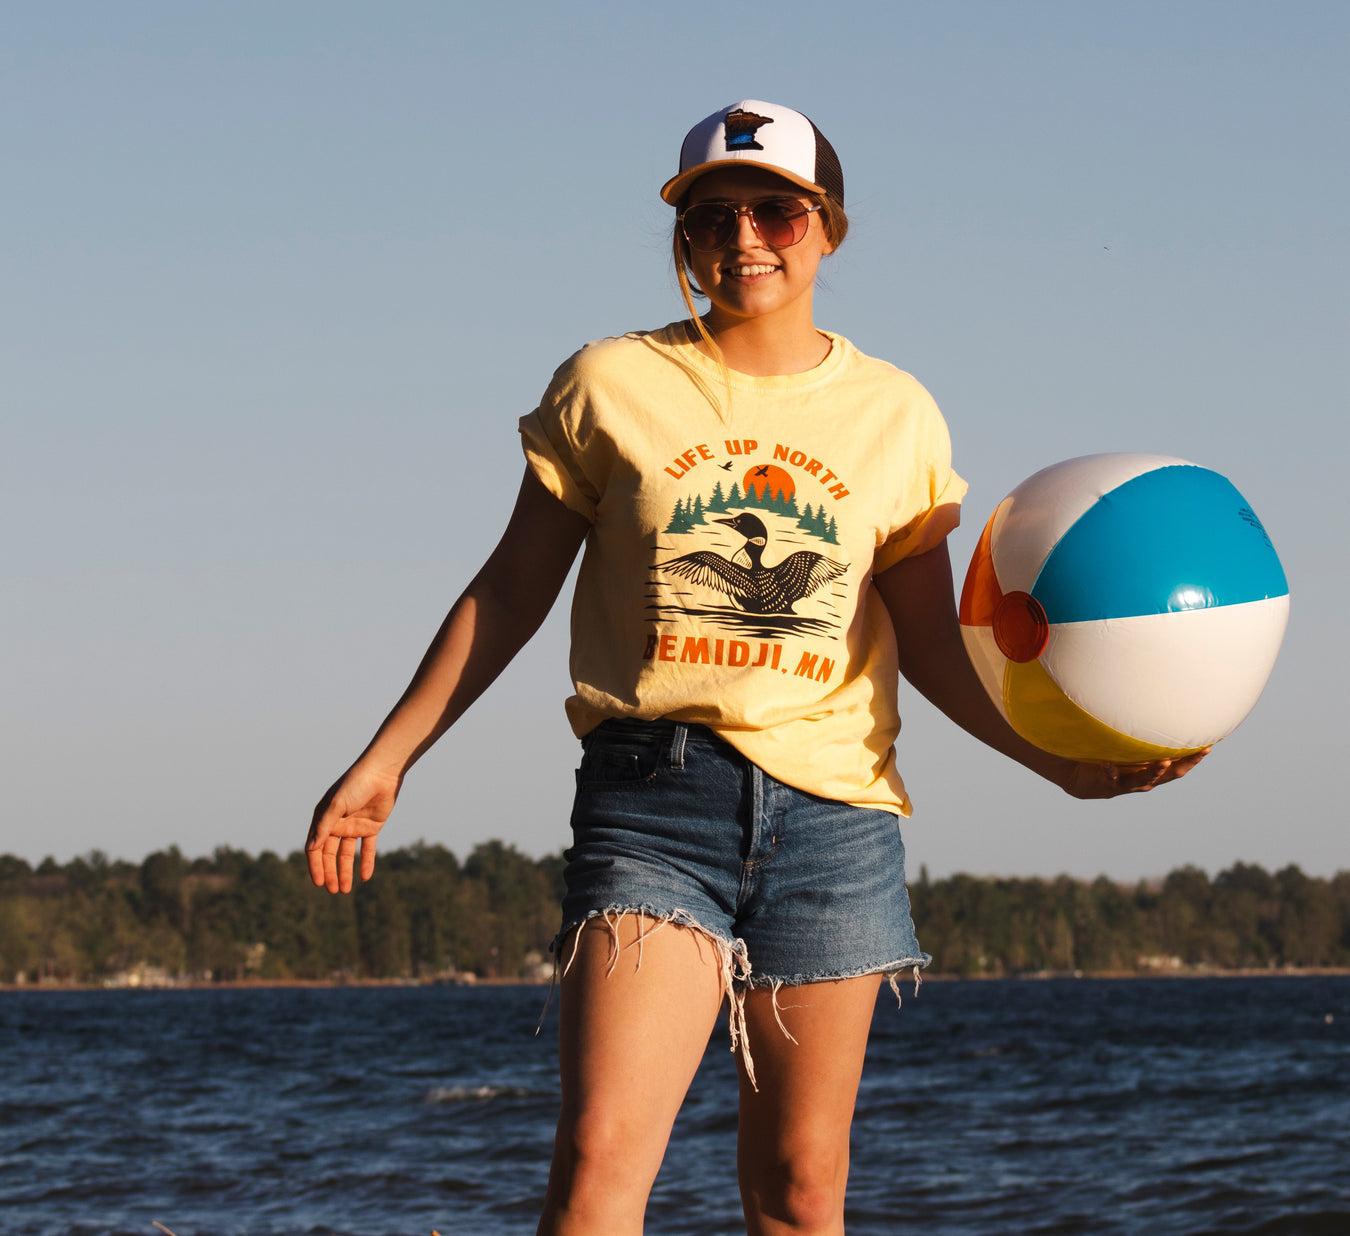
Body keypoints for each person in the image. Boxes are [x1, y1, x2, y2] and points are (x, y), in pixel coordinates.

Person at [305, 100, 1205, 1236]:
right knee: (598, 1162)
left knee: (799, 1190)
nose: (744, 238)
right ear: (684, 237)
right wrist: (387, 759)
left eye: (777, 211)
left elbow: (931, 642)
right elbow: (510, 590)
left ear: (829, 227)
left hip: (835, 821)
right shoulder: (610, 383)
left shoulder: (896, 414)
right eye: (712, 216)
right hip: (653, 804)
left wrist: (1055, 763)